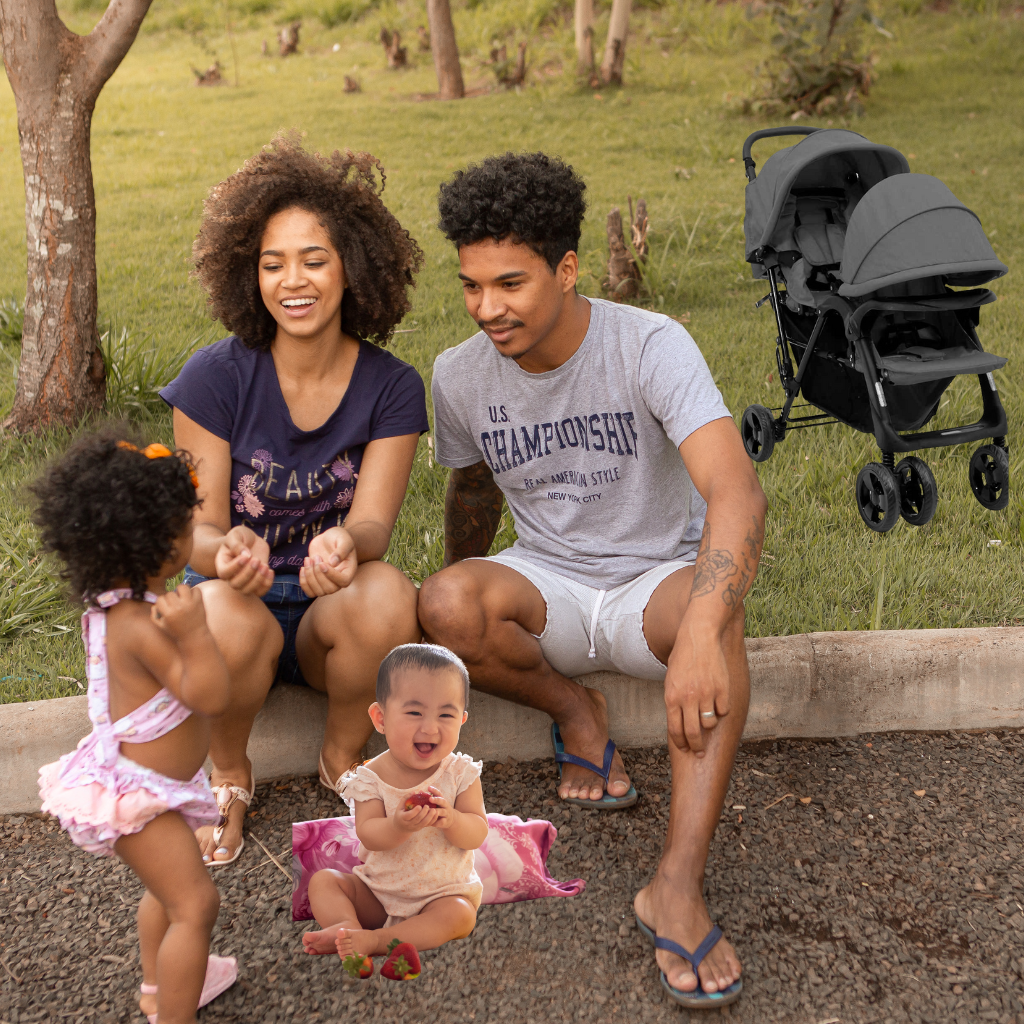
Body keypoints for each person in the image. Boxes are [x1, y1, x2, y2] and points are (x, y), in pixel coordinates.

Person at [417, 152, 767, 1008]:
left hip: (655, 583)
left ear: (566, 270)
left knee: (717, 621)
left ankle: (675, 884)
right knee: (445, 599)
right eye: (470, 286)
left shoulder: (649, 344)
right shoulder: (458, 374)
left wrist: (697, 635)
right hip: (552, 586)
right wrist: (452, 606)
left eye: (510, 283)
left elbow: (736, 492)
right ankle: (578, 713)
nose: (488, 308)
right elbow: (472, 489)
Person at [159, 133, 428, 867]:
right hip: (236, 605)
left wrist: (348, 545)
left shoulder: (393, 386)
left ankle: (343, 755)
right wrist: (229, 553)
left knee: (389, 595)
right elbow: (197, 533)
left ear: (354, 267)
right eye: (273, 263)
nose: (293, 281)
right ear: (249, 274)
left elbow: (371, 521)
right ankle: (228, 770)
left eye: (314, 259)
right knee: (220, 611)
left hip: (325, 611)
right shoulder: (213, 379)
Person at [33, 430, 237, 1024]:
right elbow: (211, 695)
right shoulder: (143, 625)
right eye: (181, 529)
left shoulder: (115, 609)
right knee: (195, 905)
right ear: (151, 542)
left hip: (153, 788)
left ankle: (162, 986)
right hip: (141, 799)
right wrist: (197, 634)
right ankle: (173, 1010)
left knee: (170, 892)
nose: (187, 537)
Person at [301, 644, 488, 960]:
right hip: (378, 892)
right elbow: (369, 834)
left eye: (446, 714)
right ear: (381, 718)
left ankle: (377, 941)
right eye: (414, 712)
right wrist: (398, 825)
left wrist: (453, 820)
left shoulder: (460, 773)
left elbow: (478, 832)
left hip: (441, 895)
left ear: (462, 720)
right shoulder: (370, 777)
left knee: (461, 916)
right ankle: (347, 926)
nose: (430, 727)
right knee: (323, 882)